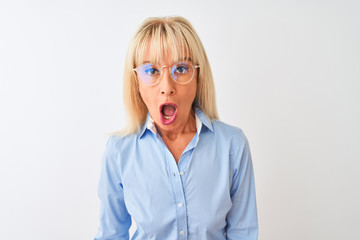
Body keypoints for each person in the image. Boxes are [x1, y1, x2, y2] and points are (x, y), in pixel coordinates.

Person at [94, 16, 258, 240]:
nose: (167, 87)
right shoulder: (118, 152)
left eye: (181, 69)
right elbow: (110, 236)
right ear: (136, 83)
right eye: (151, 71)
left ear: (198, 77)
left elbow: (243, 234)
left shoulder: (233, 145)